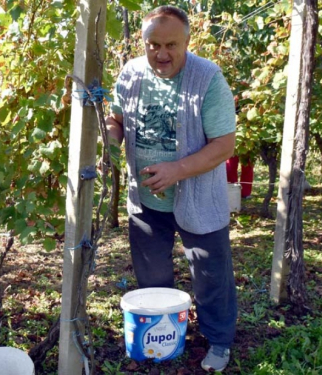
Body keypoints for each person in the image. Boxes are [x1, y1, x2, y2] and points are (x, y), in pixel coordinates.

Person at [106, 6, 237, 373]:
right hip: (145, 200)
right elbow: (116, 120)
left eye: (171, 45)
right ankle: (163, 335)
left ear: (187, 42)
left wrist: (177, 170)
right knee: (151, 276)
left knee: (211, 276)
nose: (161, 53)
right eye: (153, 45)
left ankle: (219, 341)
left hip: (199, 201)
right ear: (143, 42)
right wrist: (108, 141)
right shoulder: (130, 74)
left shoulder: (207, 78)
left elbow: (224, 145)